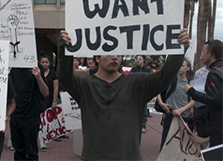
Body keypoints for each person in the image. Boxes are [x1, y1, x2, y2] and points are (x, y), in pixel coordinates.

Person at [57, 28, 189, 160]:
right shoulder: (84, 86)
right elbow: (64, 76)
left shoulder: (138, 83)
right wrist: (64, 49)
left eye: (119, 54)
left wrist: (178, 49)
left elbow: (166, 76)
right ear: (97, 58)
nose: (114, 57)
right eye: (109, 53)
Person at [184, 39, 223, 148]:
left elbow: (215, 100)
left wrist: (192, 92)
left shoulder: (214, 73)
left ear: (210, 55)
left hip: (218, 125)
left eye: (203, 51)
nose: (201, 54)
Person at [157, 58, 195, 150]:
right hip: (170, 113)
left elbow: (193, 100)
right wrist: (161, 103)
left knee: (181, 142)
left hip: (183, 116)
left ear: (188, 68)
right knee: (166, 141)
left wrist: (183, 109)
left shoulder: (190, 83)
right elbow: (158, 90)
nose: (180, 68)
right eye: (179, 65)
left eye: (182, 66)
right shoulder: (171, 80)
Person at [39, 54, 60, 151]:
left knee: (46, 122)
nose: (44, 64)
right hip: (39, 101)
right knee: (39, 122)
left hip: (49, 100)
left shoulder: (53, 74)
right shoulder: (37, 73)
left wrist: (54, 102)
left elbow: (56, 88)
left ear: (49, 63)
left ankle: (44, 142)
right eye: (42, 62)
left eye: (46, 62)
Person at [131, 55, 152, 133]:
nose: (138, 60)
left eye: (140, 59)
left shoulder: (147, 70)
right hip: (135, 91)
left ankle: (143, 125)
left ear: (144, 60)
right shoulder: (134, 69)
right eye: (137, 59)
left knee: (144, 109)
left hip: (143, 91)